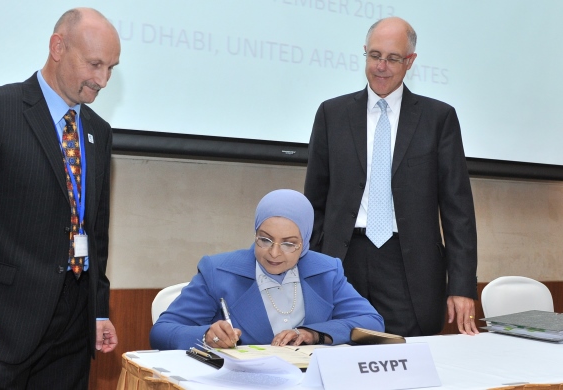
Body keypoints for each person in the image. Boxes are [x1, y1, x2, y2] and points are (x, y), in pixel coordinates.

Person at [0, 8, 120, 389]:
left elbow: (93, 230)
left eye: (111, 68)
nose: (102, 80)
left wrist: (98, 310)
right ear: (57, 47)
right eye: (95, 64)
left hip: (73, 327)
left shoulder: (98, 131)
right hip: (0, 328)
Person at [303, 17, 479, 337]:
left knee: (409, 363)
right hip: (343, 261)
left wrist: (462, 285)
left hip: (409, 267)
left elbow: (458, 211)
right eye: (374, 56)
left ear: (410, 61)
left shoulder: (438, 119)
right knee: (338, 354)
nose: (381, 66)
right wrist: (315, 267)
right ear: (365, 54)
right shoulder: (332, 115)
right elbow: (314, 201)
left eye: (393, 58)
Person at [150, 189, 384, 350]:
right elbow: (162, 331)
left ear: (305, 241)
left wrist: (313, 334)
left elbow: (372, 322)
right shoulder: (218, 271)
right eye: (265, 239)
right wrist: (205, 336)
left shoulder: (326, 270)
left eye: (289, 243)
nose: (274, 253)